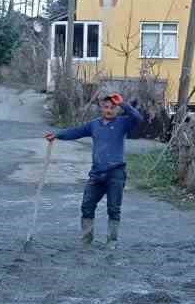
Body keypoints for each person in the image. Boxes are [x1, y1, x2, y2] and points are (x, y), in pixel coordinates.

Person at [46, 91, 143, 247]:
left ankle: (112, 242)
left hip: (116, 172)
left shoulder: (123, 123)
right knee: (87, 206)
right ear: (101, 108)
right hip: (97, 173)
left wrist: (123, 104)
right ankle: (86, 240)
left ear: (117, 109)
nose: (109, 110)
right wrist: (57, 135)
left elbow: (138, 118)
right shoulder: (94, 125)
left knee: (113, 208)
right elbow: (75, 132)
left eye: (113, 107)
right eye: (106, 107)